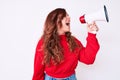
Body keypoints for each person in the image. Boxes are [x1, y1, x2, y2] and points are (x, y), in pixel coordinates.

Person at [32, 8, 100, 80]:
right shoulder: (43, 43)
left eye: (68, 15)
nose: (69, 17)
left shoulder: (73, 41)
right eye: (65, 16)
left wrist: (91, 34)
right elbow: (38, 70)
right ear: (56, 22)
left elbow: (88, 59)